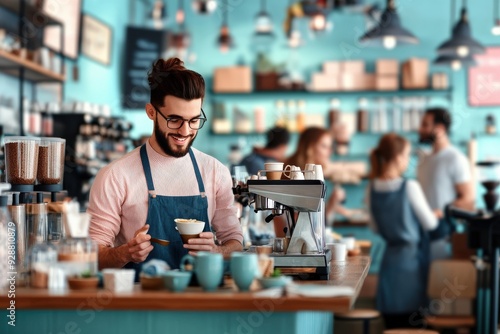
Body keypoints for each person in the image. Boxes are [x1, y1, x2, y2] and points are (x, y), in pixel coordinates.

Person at [88, 58, 243, 277]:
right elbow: (91, 256)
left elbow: (236, 243)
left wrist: (218, 251)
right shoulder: (116, 176)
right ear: (151, 112)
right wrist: (125, 253)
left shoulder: (215, 172)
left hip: (203, 300)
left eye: (194, 120)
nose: (185, 131)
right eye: (174, 119)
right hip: (141, 301)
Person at [366, 133, 439, 329]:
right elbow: (430, 224)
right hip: (411, 264)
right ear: (398, 157)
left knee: (392, 325)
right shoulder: (409, 186)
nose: (408, 160)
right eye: (407, 155)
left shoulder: (371, 187)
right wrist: (435, 213)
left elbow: (373, 227)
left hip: (389, 262)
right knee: (414, 323)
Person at [417, 107, 474, 260]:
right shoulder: (424, 160)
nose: (419, 128)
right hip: (421, 234)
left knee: (439, 282)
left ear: (440, 128)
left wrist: (440, 212)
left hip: (442, 235)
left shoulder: (455, 158)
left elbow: (468, 200)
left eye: (425, 124)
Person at [273, 127, 345, 237]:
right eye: (324, 146)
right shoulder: (290, 173)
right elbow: (286, 226)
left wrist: (332, 203)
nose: (329, 152)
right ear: (310, 147)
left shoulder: (316, 175)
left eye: (330, 147)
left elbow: (319, 223)